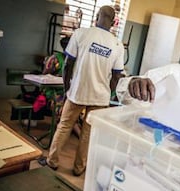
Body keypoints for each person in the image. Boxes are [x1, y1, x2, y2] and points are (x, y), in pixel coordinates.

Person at [38, 5, 125, 176]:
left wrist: (67, 88)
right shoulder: (117, 45)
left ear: (97, 16)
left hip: (77, 92)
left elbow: (68, 65)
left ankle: (52, 161)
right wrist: (109, 95)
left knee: (64, 126)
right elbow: (116, 76)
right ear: (114, 22)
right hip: (100, 97)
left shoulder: (81, 34)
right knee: (88, 133)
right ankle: (79, 168)